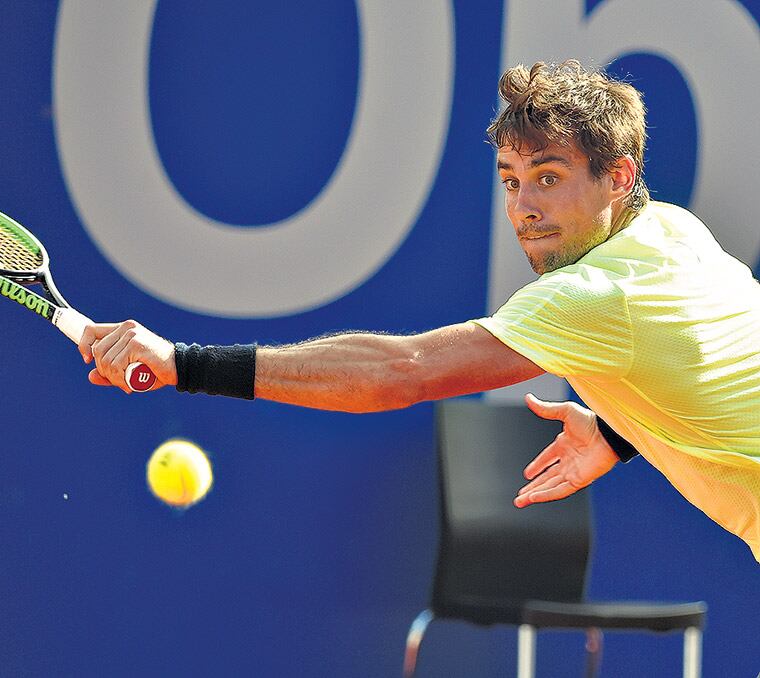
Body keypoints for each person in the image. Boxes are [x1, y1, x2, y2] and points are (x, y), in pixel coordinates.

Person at [78, 60, 760, 562]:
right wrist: (621, 431)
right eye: (512, 181)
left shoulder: (593, 297)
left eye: (549, 179)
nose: (524, 207)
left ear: (618, 177)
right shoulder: (671, 231)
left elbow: (401, 373)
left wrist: (185, 365)